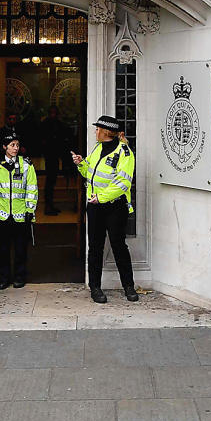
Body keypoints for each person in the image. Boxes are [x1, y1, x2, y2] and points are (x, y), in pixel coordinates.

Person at [72, 116, 137, 305]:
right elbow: (90, 174)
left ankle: (129, 286)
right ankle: (95, 287)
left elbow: (123, 183)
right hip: (95, 207)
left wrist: (102, 197)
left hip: (115, 207)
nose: (95, 132)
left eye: (97, 129)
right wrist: (81, 164)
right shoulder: (97, 148)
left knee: (119, 246)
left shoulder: (124, 152)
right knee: (95, 247)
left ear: (105, 132)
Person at [0, 131, 37, 289]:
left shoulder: (26, 165)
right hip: (1, 213)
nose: (16, 148)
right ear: (4, 146)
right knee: (2, 249)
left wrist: (29, 210)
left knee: (20, 249)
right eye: (12, 145)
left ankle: (19, 277)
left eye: (18, 145)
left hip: (20, 214)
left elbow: (32, 189)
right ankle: (3, 278)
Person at [38, 105, 72, 215]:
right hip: (50, 155)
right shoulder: (47, 124)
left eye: (54, 113)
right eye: (51, 113)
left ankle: (50, 205)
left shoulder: (57, 124)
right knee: (50, 181)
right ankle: (48, 206)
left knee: (52, 181)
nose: (53, 115)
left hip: (55, 155)